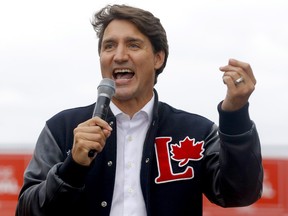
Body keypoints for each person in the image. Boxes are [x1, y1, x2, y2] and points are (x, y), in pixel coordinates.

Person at [16, 4, 263, 216]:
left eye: (133, 45)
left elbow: (239, 193)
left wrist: (235, 115)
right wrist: (73, 167)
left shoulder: (196, 131)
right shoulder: (62, 129)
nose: (119, 56)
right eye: (109, 46)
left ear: (158, 58)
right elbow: (26, 210)